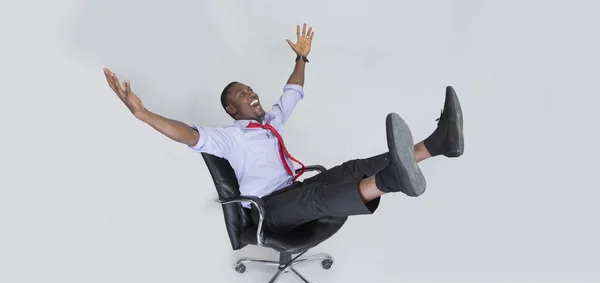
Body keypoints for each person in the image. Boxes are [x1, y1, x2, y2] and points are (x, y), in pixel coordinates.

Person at [103, 23, 464, 234]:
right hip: (269, 212)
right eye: (243, 94)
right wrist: (144, 114)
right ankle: (394, 179)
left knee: (350, 169)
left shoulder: (269, 124)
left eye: (250, 88)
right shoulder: (230, 137)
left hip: (292, 189)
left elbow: (293, 91)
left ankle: (436, 144)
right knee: (317, 197)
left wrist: (301, 57)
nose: (252, 93)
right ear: (232, 109)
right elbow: (188, 134)